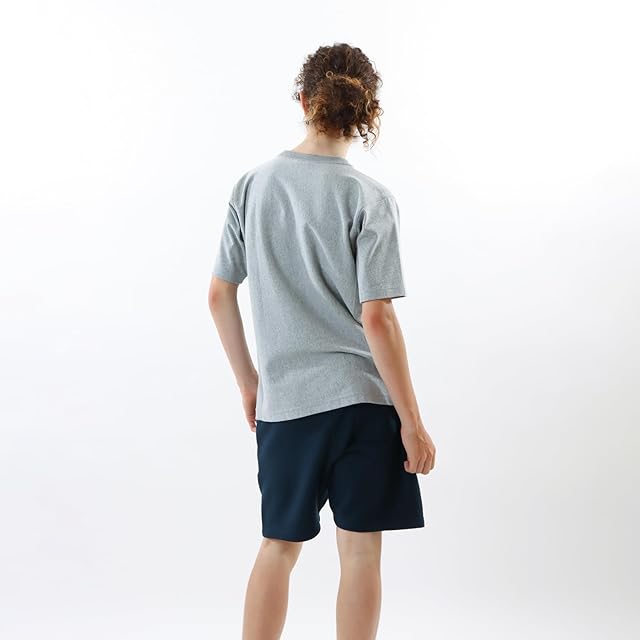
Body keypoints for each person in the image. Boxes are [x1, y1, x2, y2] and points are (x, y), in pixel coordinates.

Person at [208, 42, 436, 640]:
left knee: (278, 545)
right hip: (362, 404)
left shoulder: (252, 186)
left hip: (286, 404)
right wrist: (411, 422)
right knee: (360, 551)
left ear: (304, 99)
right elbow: (378, 318)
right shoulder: (370, 198)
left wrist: (250, 384)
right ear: (366, 113)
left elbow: (219, 294)